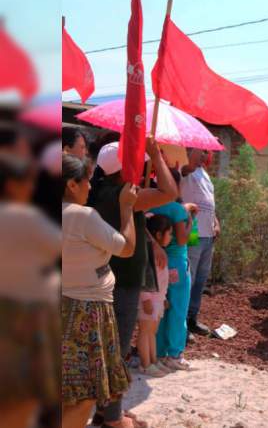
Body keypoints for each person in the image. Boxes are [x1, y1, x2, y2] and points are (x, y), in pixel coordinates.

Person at [88, 140, 177, 428]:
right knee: (118, 348)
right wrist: (154, 155)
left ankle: (106, 410)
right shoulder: (125, 195)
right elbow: (170, 191)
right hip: (122, 281)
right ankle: (112, 417)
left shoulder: (100, 191)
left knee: (109, 347)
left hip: (103, 278)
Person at [61, 154, 138, 428]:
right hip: (87, 312)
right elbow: (127, 248)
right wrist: (127, 208)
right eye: (85, 182)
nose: (90, 187)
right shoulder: (82, 217)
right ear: (72, 184)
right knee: (84, 395)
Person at [0, 153, 60, 428]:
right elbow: (59, 246)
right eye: (27, 182)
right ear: (12, 184)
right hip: (24, 315)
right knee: (23, 398)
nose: (32, 188)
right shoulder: (23, 216)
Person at [150, 170, 195, 371]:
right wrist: (190, 219)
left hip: (156, 262)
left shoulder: (149, 204)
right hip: (176, 261)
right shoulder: (177, 209)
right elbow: (184, 239)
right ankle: (175, 354)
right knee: (178, 308)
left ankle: (158, 351)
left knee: (160, 306)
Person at [180, 148, 219, 337]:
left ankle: (192, 318)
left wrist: (215, 221)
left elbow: (209, 202)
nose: (206, 154)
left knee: (201, 279)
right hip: (193, 230)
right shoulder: (186, 168)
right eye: (202, 150)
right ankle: (182, 324)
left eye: (207, 151)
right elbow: (184, 169)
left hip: (208, 234)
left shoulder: (204, 172)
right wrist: (191, 156)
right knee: (190, 278)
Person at [137, 214, 173, 377]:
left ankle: (152, 361)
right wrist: (145, 299)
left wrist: (163, 298)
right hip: (149, 301)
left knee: (152, 332)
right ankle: (145, 364)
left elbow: (161, 280)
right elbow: (143, 276)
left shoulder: (159, 253)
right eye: (169, 233)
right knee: (145, 331)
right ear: (158, 235)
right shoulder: (148, 253)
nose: (171, 237)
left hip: (157, 300)